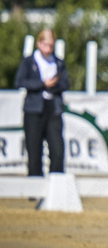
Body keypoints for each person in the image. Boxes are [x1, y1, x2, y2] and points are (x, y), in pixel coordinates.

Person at [14, 29, 70, 176]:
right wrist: (42, 84)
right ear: (39, 44)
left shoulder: (58, 62)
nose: (48, 49)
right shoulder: (29, 61)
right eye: (45, 45)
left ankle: (56, 186)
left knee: (57, 150)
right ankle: (35, 187)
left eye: (51, 46)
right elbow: (19, 81)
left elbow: (65, 84)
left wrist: (54, 85)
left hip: (53, 109)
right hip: (34, 110)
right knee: (34, 151)